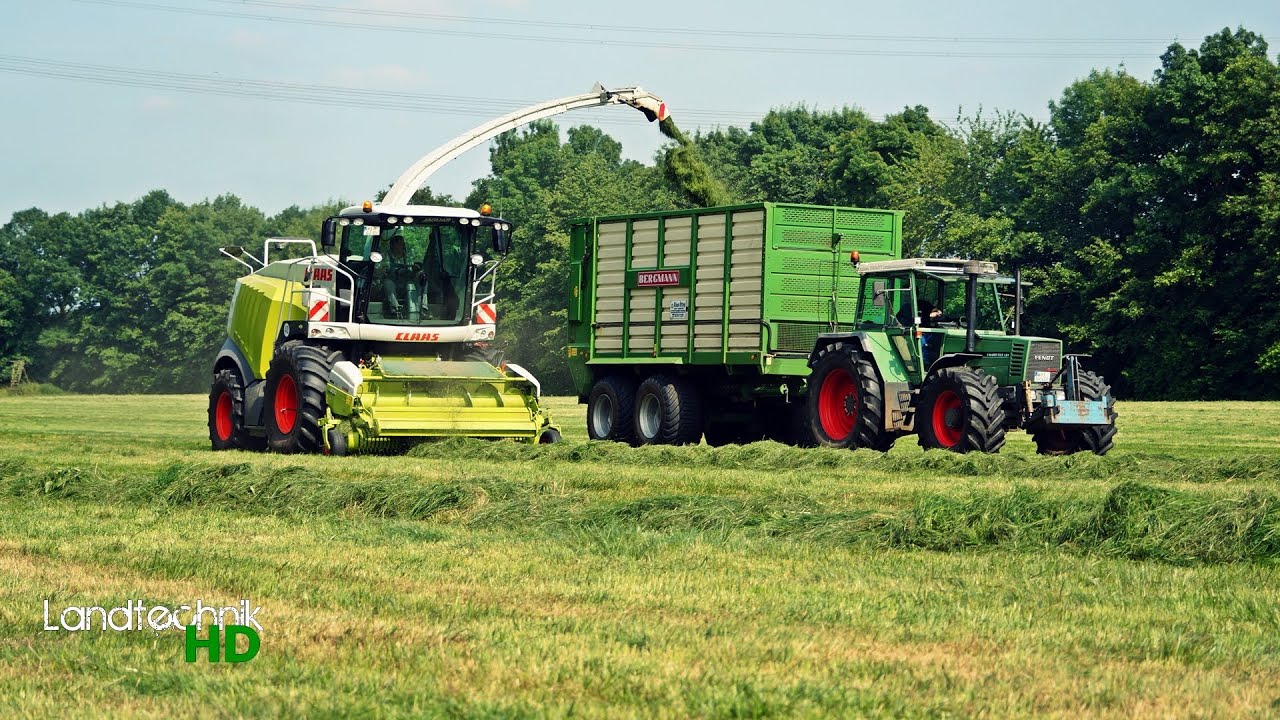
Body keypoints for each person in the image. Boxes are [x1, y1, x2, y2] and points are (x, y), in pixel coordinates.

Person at [381, 235, 420, 319]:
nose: (400, 246)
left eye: (401, 244)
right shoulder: (385, 256)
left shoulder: (408, 256)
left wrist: (414, 269)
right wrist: (382, 270)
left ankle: (420, 309)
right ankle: (395, 309)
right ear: (392, 245)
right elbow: (379, 270)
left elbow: (411, 269)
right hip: (392, 281)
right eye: (398, 244)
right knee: (388, 283)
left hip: (405, 282)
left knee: (419, 281)